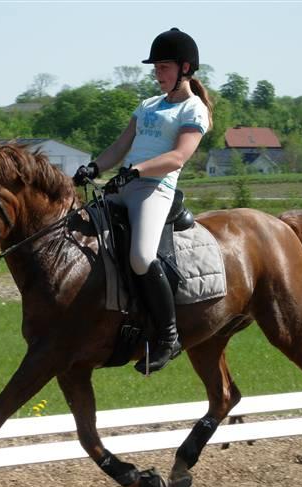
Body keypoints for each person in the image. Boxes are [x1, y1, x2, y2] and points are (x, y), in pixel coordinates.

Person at [73, 27, 213, 374]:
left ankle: (168, 337)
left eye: (163, 67)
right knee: (78, 232)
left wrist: (136, 172)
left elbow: (179, 157)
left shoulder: (194, 111)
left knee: (140, 256)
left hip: (155, 190)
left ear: (185, 69)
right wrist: (93, 167)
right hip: (125, 183)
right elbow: (120, 147)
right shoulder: (148, 105)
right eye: (155, 68)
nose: (157, 74)